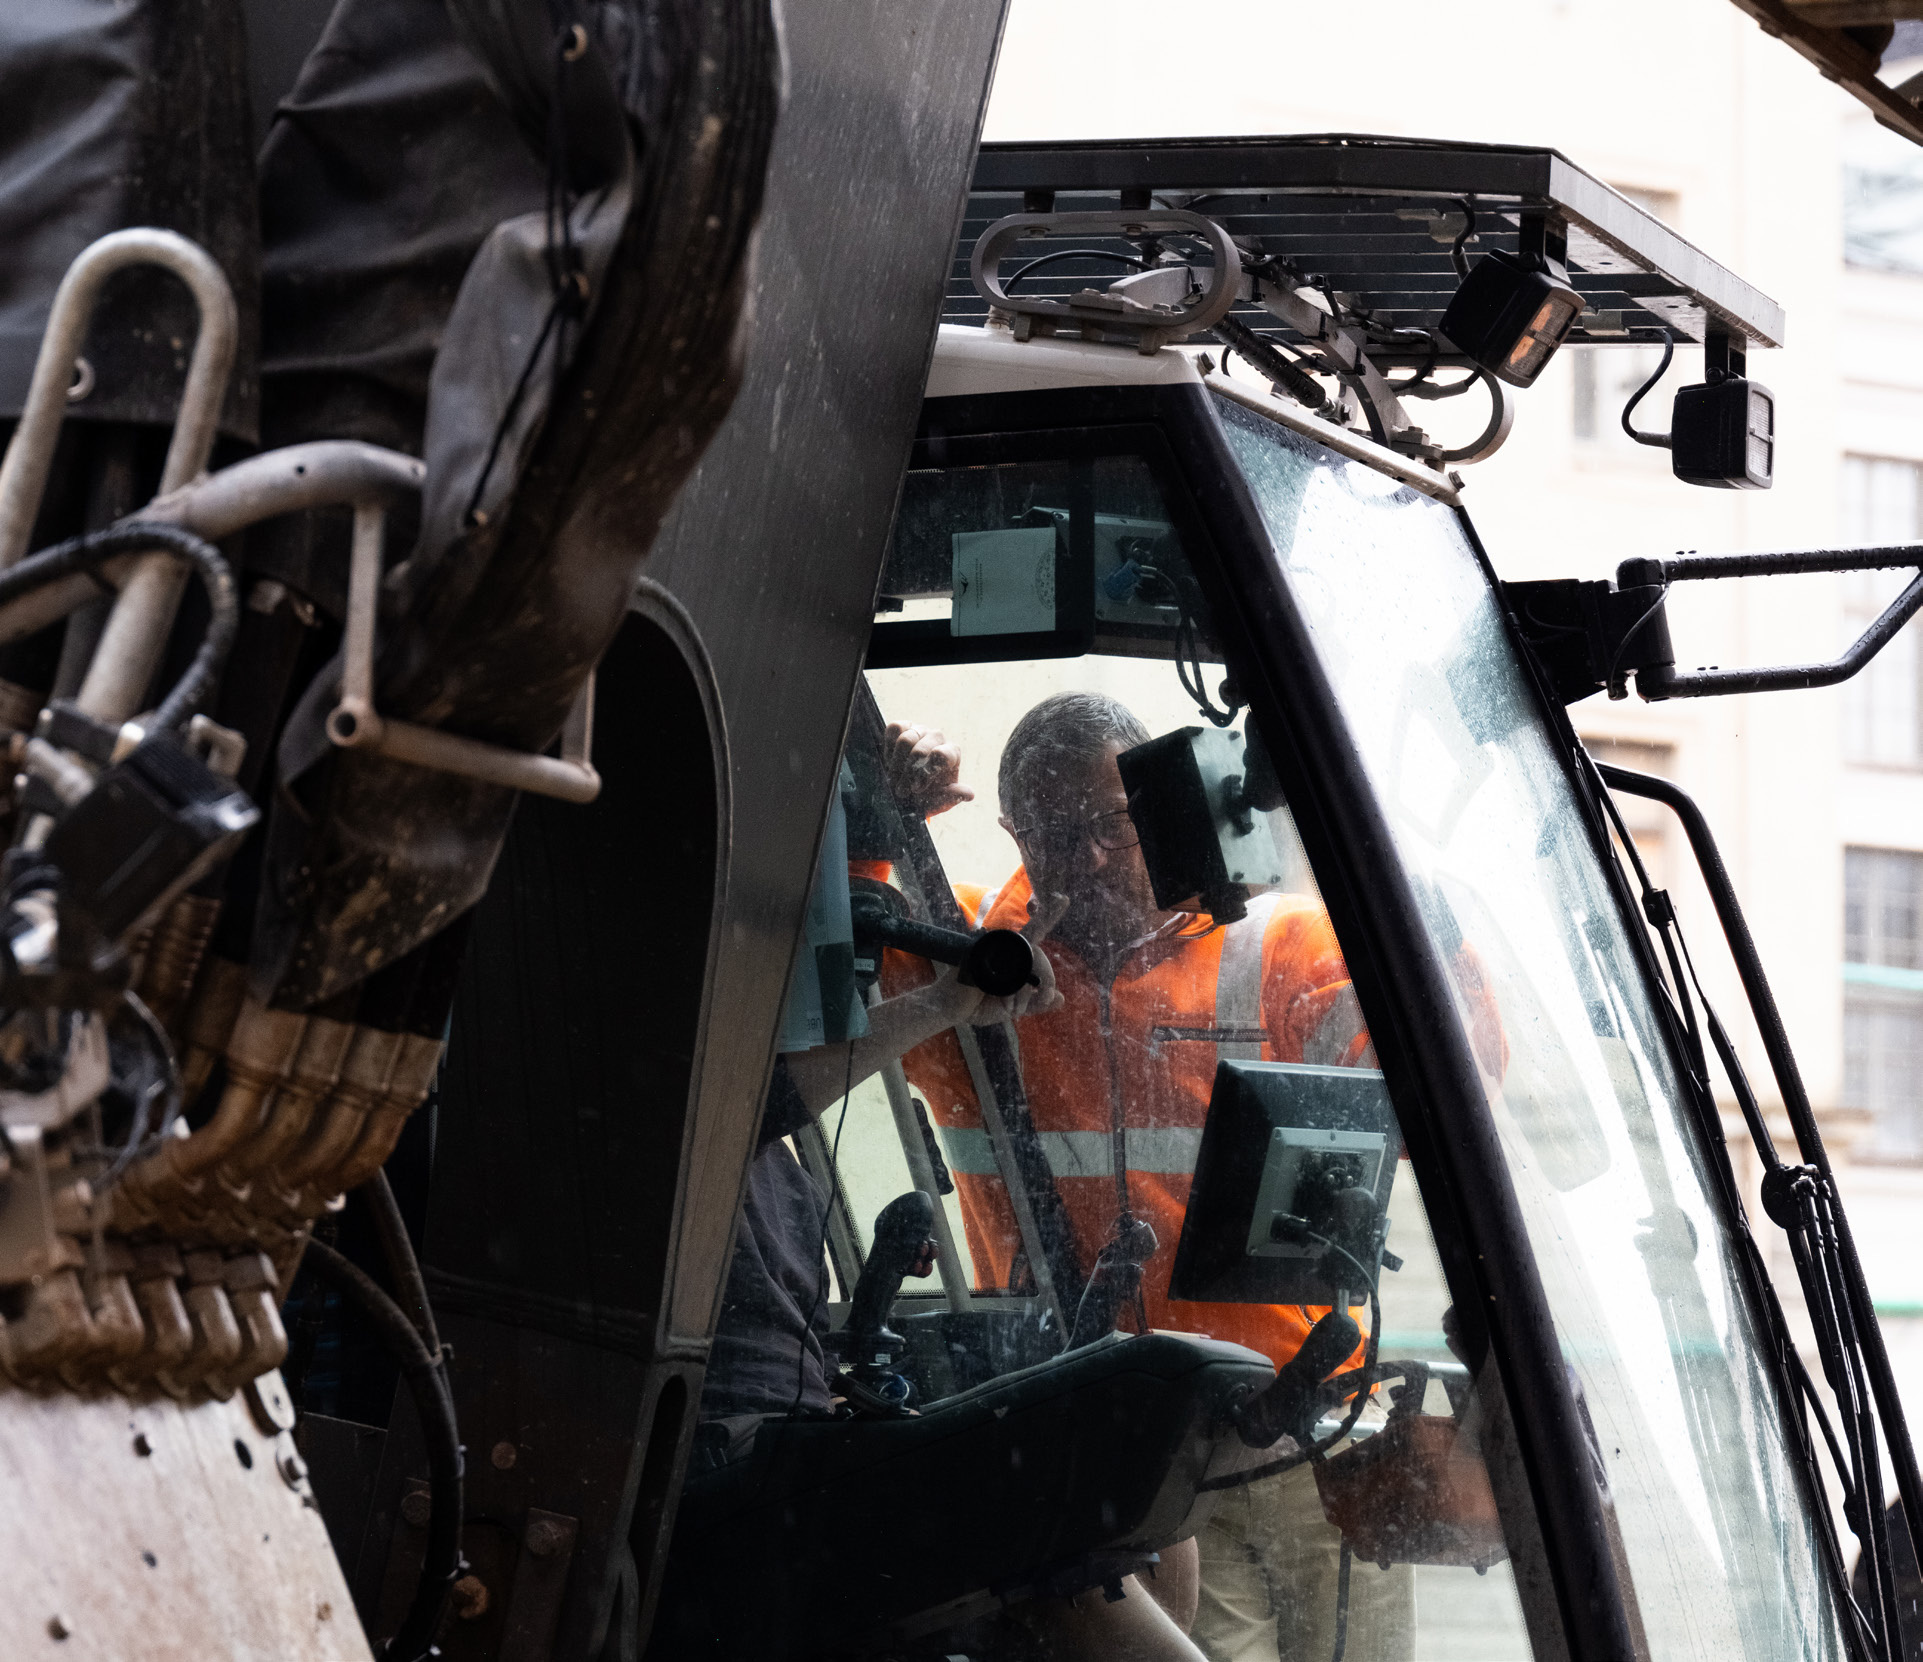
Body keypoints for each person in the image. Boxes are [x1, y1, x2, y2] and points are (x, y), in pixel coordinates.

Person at [876, 694, 1486, 1662]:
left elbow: (1454, 1097)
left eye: (1111, 824)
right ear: (1011, 833)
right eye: (1053, 833)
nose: (1090, 857)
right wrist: (881, 812)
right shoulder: (976, 972)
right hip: (1116, 1454)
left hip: (1300, 1426)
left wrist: (1428, 930)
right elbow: (850, 973)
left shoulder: (1284, 952)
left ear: (1163, 805)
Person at [693, 907, 1210, 1661]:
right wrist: (942, 1001)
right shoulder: (686, 1107)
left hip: (792, 1450)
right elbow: (748, 1104)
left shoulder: (782, 1168)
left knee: (1138, 1466)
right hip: (725, 1472)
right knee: (1041, 1517)